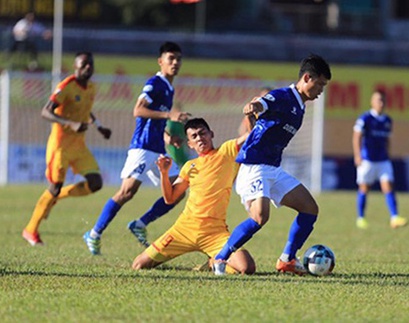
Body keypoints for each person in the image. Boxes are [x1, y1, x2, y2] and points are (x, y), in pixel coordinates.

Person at [212, 54, 332, 276]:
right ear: (307, 78)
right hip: (254, 167)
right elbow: (264, 103)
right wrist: (253, 105)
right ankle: (220, 257)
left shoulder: (300, 105)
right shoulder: (283, 96)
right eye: (320, 84)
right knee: (260, 217)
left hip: (272, 169)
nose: (321, 91)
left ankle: (287, 259)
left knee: (310, 208)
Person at [83, 41, 189, 255]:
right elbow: (138, 110)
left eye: (178, 58)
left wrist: (168, 138)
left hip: (158, 148)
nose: (175, 62)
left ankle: (140, 224)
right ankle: (94, 233)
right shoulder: (155, 83)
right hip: (142, 148)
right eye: (171, 58)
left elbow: (156, 121)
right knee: (126, 192)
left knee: (178, 191)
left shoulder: (169, 88)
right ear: (161, 62)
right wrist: (169, 115)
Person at [132, 118, 256, 274]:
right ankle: (215, 260)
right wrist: (164, 173)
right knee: (138, 265)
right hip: (183, 230)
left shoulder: (227, 151)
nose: (200, 138)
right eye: (194, 136)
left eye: (202, 133)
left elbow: (251, 134)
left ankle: (213, 261)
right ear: (189, 144)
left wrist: (250, 116)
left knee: (247, 268)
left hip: (215, 233)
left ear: (211, 134)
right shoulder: (189, 166)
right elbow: (170, 198)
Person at [22, 51, 112, 246]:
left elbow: (86, 111)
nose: (88, 67)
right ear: (76, 66)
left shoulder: (91, 87)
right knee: (54, 186)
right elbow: (46, 111)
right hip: (60, 145)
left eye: (91, 65)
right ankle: (30, 230)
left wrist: (99, 127)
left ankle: (59, 195)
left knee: (96, 182)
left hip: (79, 145)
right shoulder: (65, 87)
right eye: (84, 64)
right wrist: (70, 124)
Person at [352, 90, 408, 230]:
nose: (381, 103)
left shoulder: (388, 121)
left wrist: (388, 154)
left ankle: (394, 217)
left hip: (383, 160)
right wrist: (357, 155)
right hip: (367, 160)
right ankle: (361, 218)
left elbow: (387, 140)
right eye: (378, 100)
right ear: (372, 102)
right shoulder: (365, 119)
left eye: (383, 100)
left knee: (388, 186)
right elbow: (356, 136)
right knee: (365, 188)